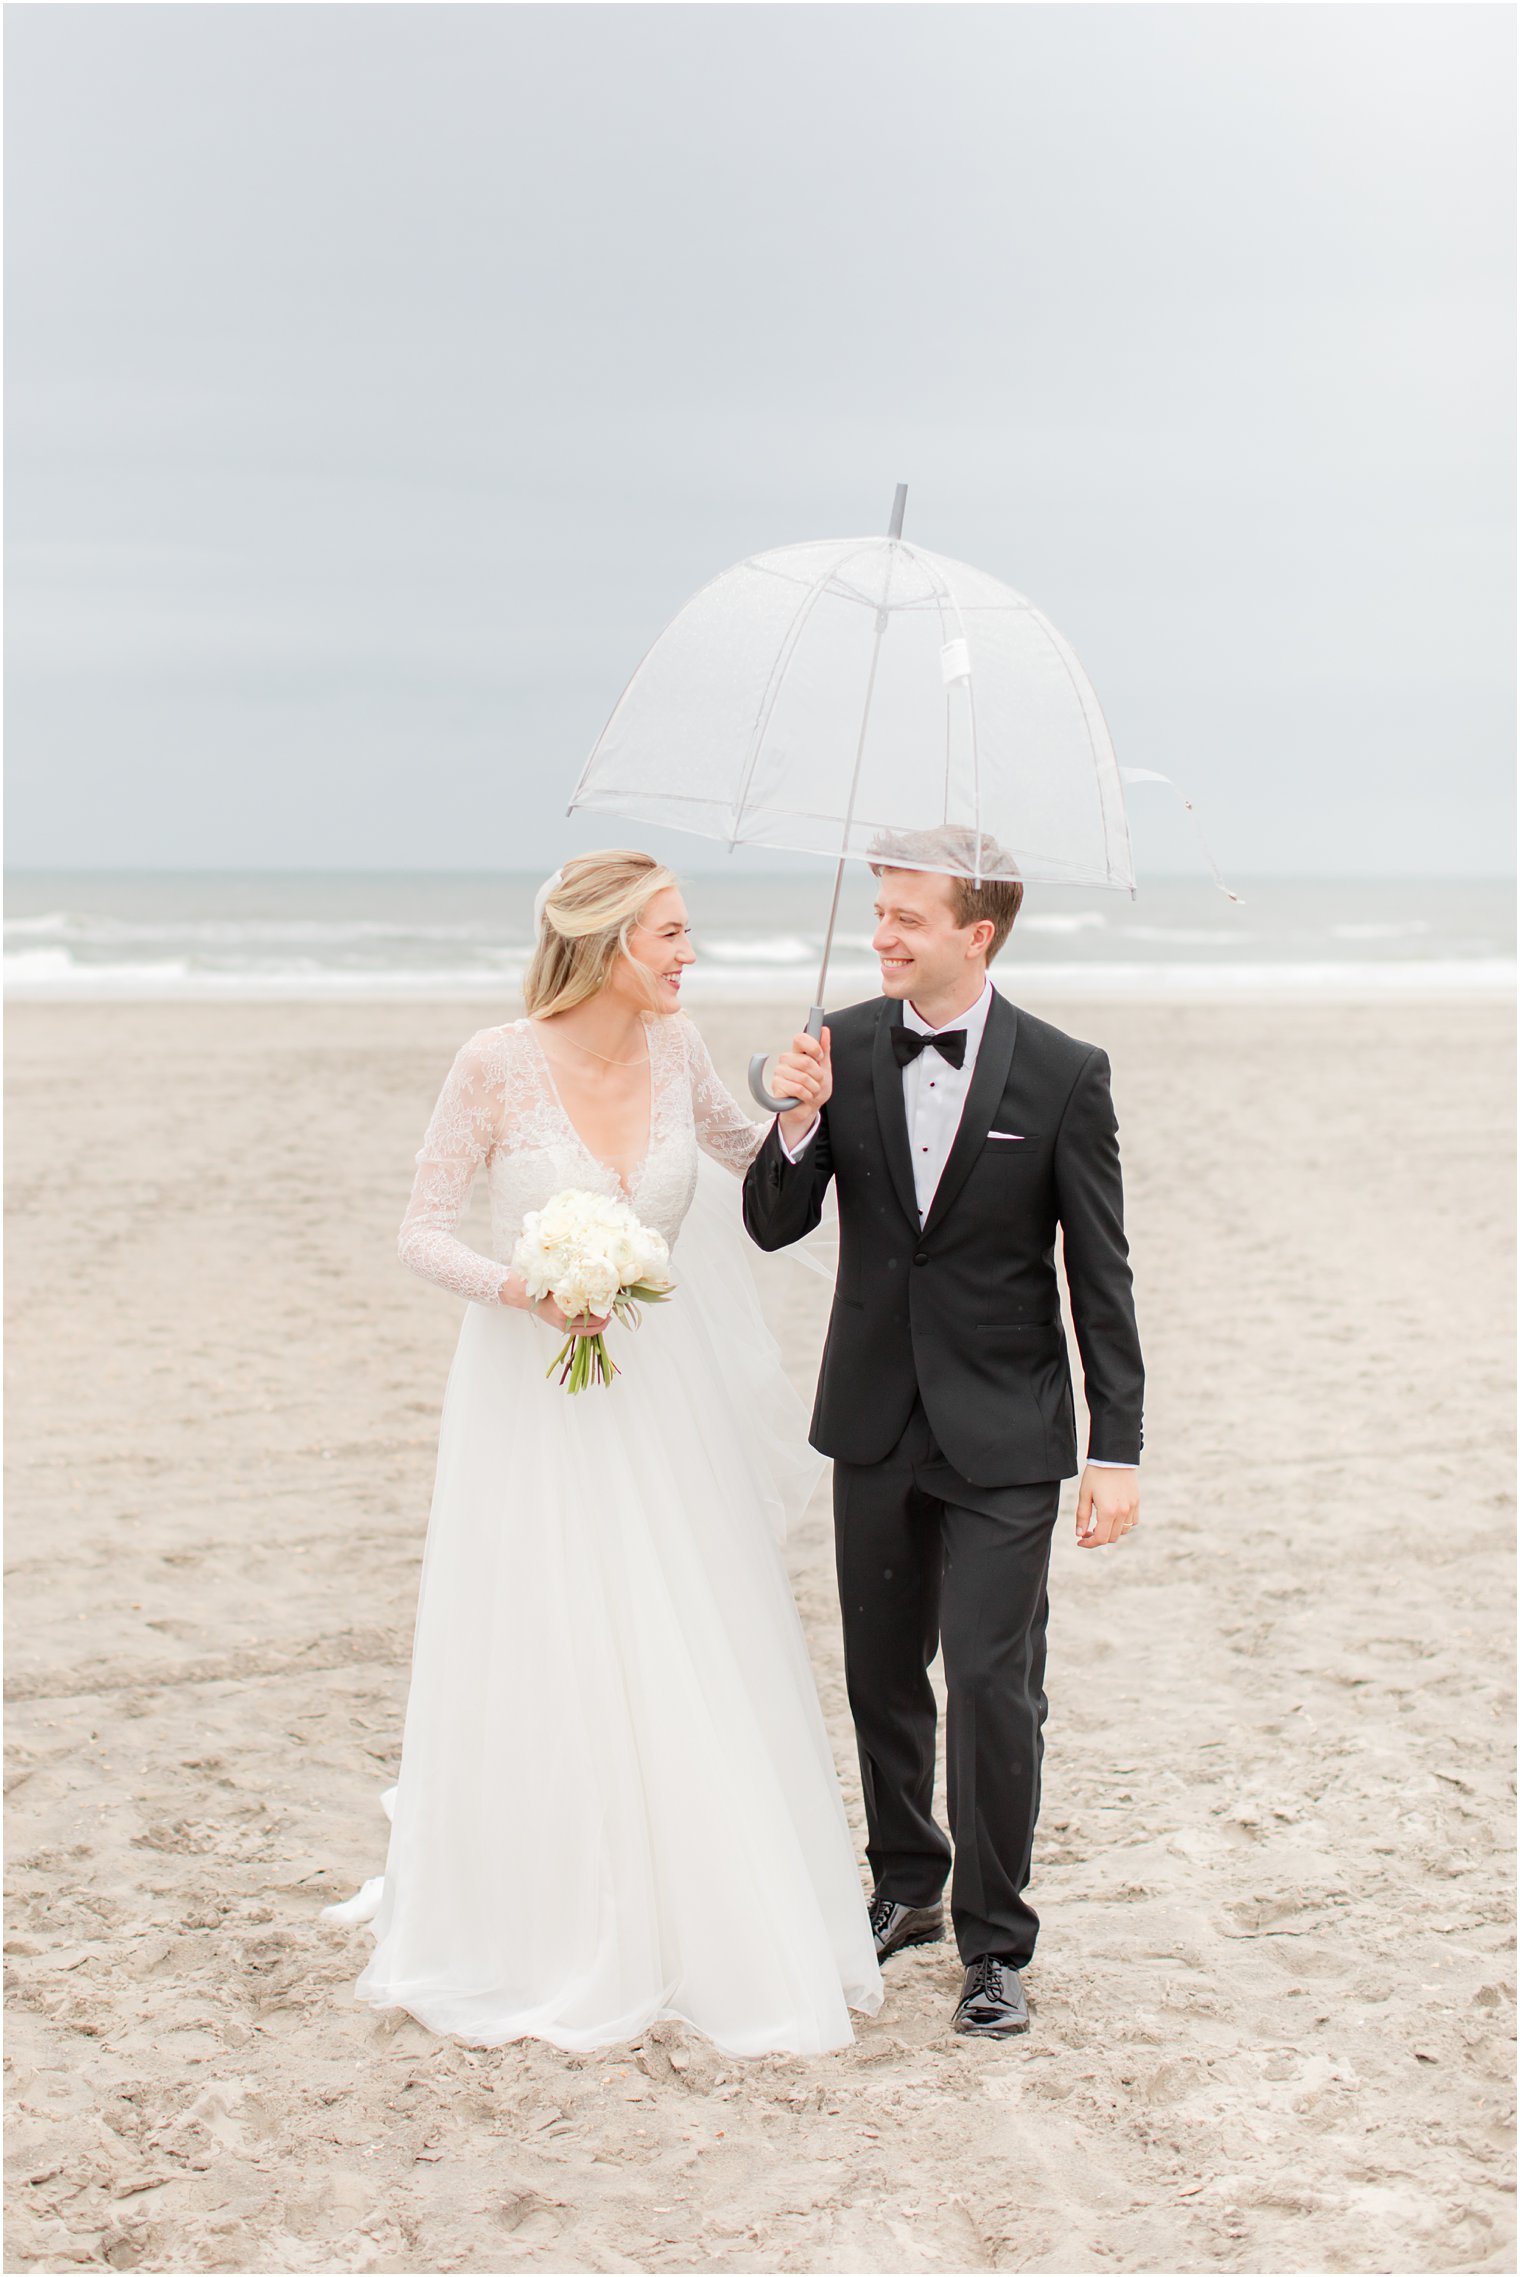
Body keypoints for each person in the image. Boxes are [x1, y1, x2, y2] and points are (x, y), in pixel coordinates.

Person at [325, 849, 881, 2056]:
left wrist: (801, 1109)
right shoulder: (494, 1063)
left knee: (683, 1626)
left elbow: (756, 1170)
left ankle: (698, 1909)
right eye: (673, 934)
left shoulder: (677, 1050)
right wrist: (523, 1287)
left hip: (663, 1389)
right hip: (531, 1392)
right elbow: (419, 1232)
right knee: (551, 1633)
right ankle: (544, 1912)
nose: (691, 954)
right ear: (608, 941)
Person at [742, 827, 1144, 2039]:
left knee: (987, 1680)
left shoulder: (1067, 1073)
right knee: (879, 1676)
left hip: (1007, 1431)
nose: (881, 935)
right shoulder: (841, 1047)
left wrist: (1114, 1447)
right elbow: (770, 1224)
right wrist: (795, 1124)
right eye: (876, 913)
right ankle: (904, 1888)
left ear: (974, 934)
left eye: (906, 917)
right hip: (870, 1418)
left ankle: (995, 1944)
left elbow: (1100, 1276)